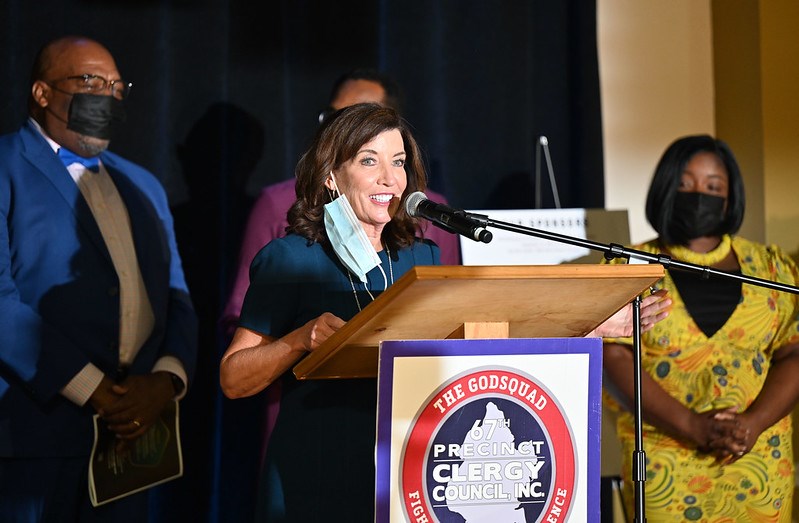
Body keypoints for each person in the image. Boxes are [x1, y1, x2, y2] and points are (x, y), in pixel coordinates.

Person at [219, 102, 670, 521]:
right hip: (318, 472)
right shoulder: (291, 258)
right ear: (332, 176)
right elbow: (234, 379)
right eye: (368, 160)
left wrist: (591, 328)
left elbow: (476, 345)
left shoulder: (423, 259)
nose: (388, 178)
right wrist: (299, 339)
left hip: (410, 469)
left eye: (398, 163)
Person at [0, 36, 197, 522]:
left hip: (131, 443)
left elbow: (178, 299)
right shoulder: (5, 164)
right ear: (42, 93)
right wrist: (92, 387)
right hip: (32, 436)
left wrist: (166, 380)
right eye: (90, 81)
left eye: (115, 86)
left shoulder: (143, 184)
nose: (105, 96)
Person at [602, 134, 799, 521]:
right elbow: (613, 356)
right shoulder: (630, 269)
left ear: (730, 198)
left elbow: (793, 352)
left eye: (713, 187)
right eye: (685, 184)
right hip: (664, 461)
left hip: (758, 458)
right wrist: (692, 426)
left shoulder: (772, 268)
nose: (699, 195)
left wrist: (753, 424)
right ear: (665, 189)